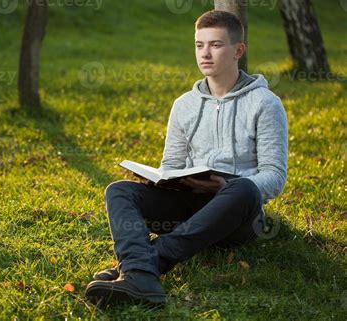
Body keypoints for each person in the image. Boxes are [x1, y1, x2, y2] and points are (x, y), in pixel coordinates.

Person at [85, 10, 288, 306]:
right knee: (120, 190)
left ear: (238, 51)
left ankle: (142, 267)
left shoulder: (265, 104)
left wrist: (222, 187)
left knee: (244, 188)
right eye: (199, 45)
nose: (205, 53)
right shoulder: (185, 105)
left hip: (238, 213)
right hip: (189, 204)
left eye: (216, 45)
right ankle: (140, 274)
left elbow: (274, 176)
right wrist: (161, 181)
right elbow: (172, 166)